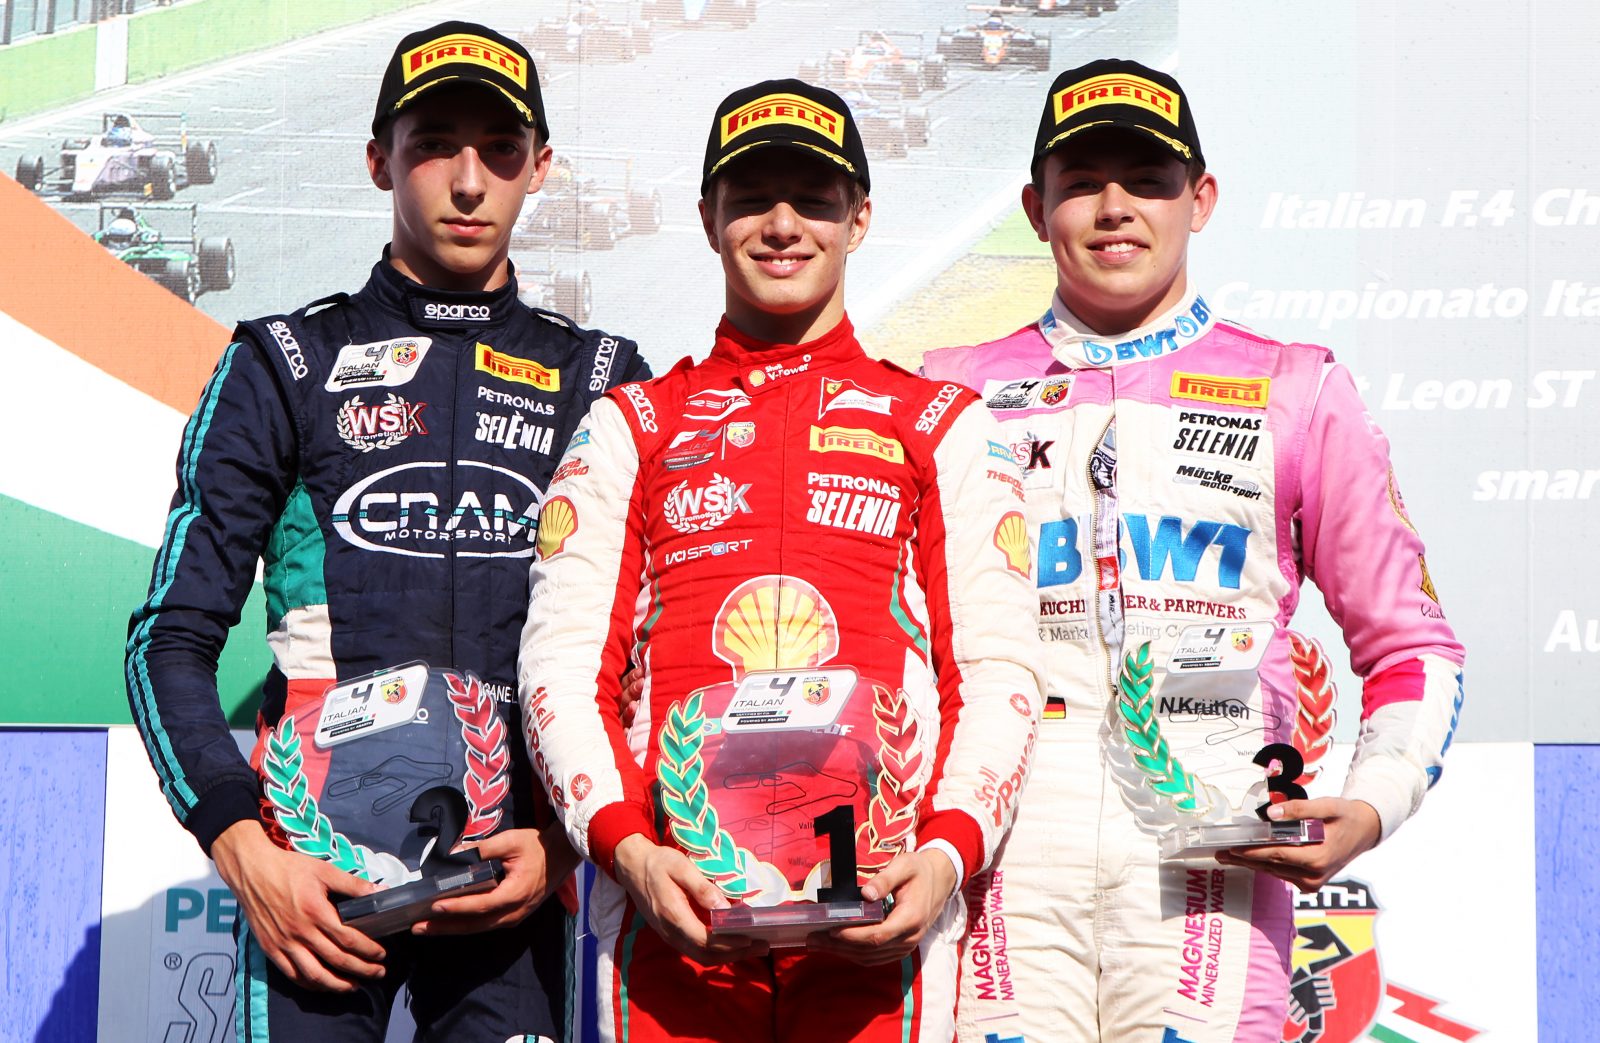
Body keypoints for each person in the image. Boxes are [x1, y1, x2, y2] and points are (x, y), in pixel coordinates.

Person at [921, 59, 1466, 1043]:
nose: (1115, 208)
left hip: (1211, 850)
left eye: (1148, 179)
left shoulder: (1296, 388)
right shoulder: (948, 391)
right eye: (1081, 182)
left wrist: (1374, 801)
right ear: (1034, 208)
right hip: (1005, 853)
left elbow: (1413, 644)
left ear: (1200, 199)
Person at [123, 21, 647, 1041]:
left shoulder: (600, 378)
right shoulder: (284, 363)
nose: (468, 181)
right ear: (380, 160)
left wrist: (563, 836)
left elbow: (644, 653)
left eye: (500, 150)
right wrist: (243, 848)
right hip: (314, 884)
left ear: (540, 167)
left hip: (511, 882)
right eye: (434, 145)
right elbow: (169, 639)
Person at [517, 78, 1045, 1043]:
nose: (783, 224)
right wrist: (629, 851)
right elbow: (559, 666)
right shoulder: (631, 424)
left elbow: (998, 669)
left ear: (859, 218)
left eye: (814, 199)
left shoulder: (942, 423)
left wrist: (945, 854)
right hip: (673, 912)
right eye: (752, 197)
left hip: (883, 911)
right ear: (708, 218)